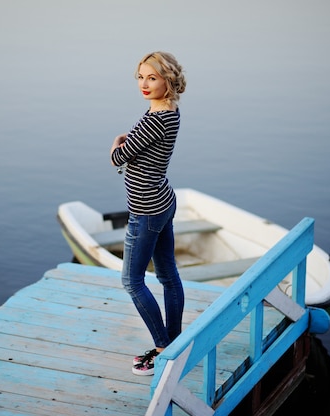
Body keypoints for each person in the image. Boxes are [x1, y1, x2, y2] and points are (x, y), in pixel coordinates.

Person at [110, 51, 187, 376]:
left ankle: (162, 347)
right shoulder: (168, 111)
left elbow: (119, 158)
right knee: (168, 274)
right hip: (163, 200)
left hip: (146, 210)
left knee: (131, 280)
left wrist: (117, 145)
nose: (144, 83)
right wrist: (133, 145)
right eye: (140, 77)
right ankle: (176, 341)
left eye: (152, 77)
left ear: (167, 80)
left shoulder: (157, 118)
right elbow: (143, 146)